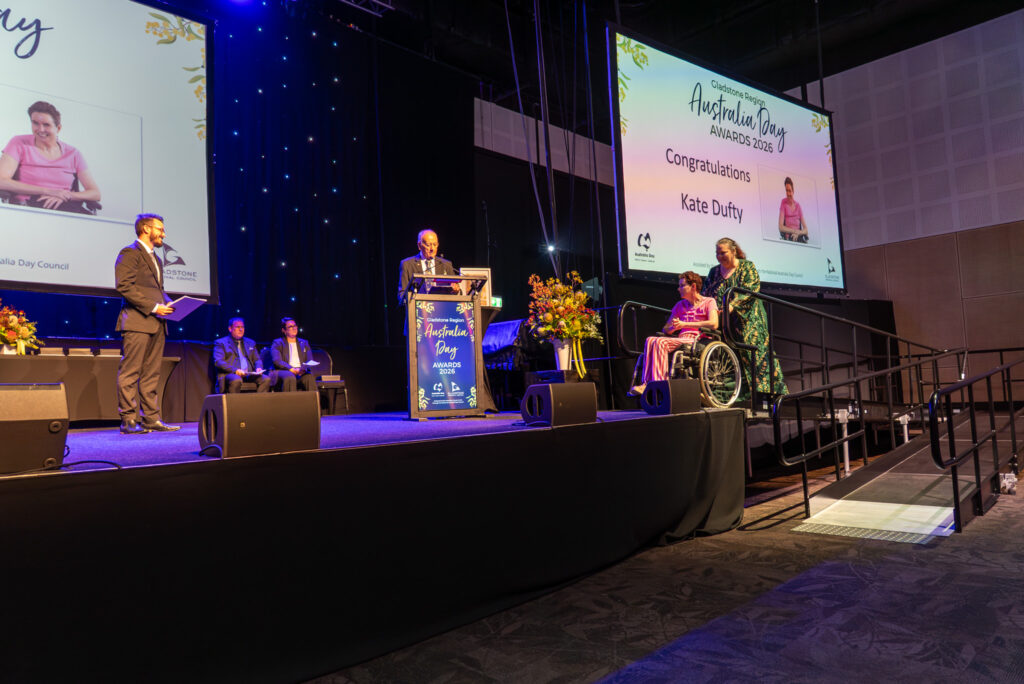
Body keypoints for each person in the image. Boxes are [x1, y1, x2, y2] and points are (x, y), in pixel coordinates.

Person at [114, 213, 179, 434]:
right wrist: (154, 307)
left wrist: (169, 303)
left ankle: (151, 418)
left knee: (152, 374)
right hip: (137, 322)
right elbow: (125, 286)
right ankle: (128, 420)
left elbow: (156, 290)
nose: (164, 233)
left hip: (157, 323)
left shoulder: (156, 259)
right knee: (131, 372)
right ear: (145, 229)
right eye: (160, 229)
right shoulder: (130, 253)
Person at [702, 237, 787, 400]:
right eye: (717, 253)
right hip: (724, 321)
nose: (719, 256)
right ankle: (737, 395)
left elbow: (751, 289)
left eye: (723, 252)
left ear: (733, 251)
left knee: (755, 354)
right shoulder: (714, 272)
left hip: (749, 319)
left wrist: (732, 305)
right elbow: (706, 294)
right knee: (730, 355)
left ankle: (765, 395)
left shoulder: (747, 267)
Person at [0, 101, 102, 213]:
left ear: (58, 128)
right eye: (35, 123)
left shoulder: (73, 154)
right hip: (28, 207)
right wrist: (47, 191)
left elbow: (95, 193)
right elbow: (2, 181)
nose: (40, 129)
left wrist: (66, 195)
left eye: (46, 125)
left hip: (64, 207)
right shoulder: (19, 143)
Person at [629, 271, 718, 396]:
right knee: (650, 339)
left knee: (661, 342)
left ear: (693, 286)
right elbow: (666, 329)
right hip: (681, 338)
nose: (678, 289)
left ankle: (658, 385)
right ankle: (647, 383)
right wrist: (673, 327)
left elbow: (714, 323)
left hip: (698, 339)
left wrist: (685, 324)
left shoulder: (709, 302)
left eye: (682, 286)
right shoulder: (680, 305)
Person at [397, 228, 458, 306]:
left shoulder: (446, 265)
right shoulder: (407, 264)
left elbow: (455, 291)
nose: (432, 249)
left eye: (435, 245)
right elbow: (401, 295)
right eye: (428, 245)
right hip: (417, 312)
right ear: (419, 245)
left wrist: (455, 290)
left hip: (442, 312)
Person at [213, 318, 271, 393]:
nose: (241, 329)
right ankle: (233, 404)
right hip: (231, 374)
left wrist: (258, 368)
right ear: (230, 328)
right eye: (237, 327)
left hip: (249, 373)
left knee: (266, 379)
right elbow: (218, 362)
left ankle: (258, 403)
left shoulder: (250, 342)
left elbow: (257, 359)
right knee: (236, 380)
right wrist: (235, 370)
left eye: (242, 327)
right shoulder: (221, 343)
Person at [269, 317, 317, 392]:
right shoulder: (277, 343)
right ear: (284, 330)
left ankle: (313, 403)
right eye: (290, 327)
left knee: (309, 378)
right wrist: (291, 369)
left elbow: (309, 360)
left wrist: (303, 369)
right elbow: (277, 361)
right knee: (290, 377)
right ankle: (290, 403)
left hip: (300, 371)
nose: (294, 328)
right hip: (284, 370)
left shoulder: (304, 343)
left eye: (295, 326)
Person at [778, 177, 808, 242]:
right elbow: (780, 227)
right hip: (789, 237)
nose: (788, 193)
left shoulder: (798, 206)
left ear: (793, 191)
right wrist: (794, 231)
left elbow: (806, 230)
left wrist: (798, 233)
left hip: (798, 237)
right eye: (786, 190)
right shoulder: (783, 203)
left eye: (790, 191)